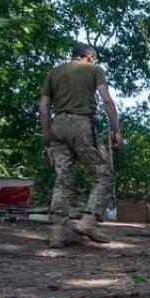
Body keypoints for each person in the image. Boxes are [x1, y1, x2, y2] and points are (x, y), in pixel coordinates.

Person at [38, 43, 122, 247]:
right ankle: (88, 222)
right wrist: (116, 130)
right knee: (104, 176)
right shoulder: (94, 70)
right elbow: (106, 100)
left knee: (63, 178)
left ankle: (57, 232)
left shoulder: (54, 72)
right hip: (82, 125)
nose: (95, 61)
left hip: (58, 125)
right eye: (95, 58)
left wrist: (48, 133)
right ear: (89, 56)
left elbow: (43, 107)